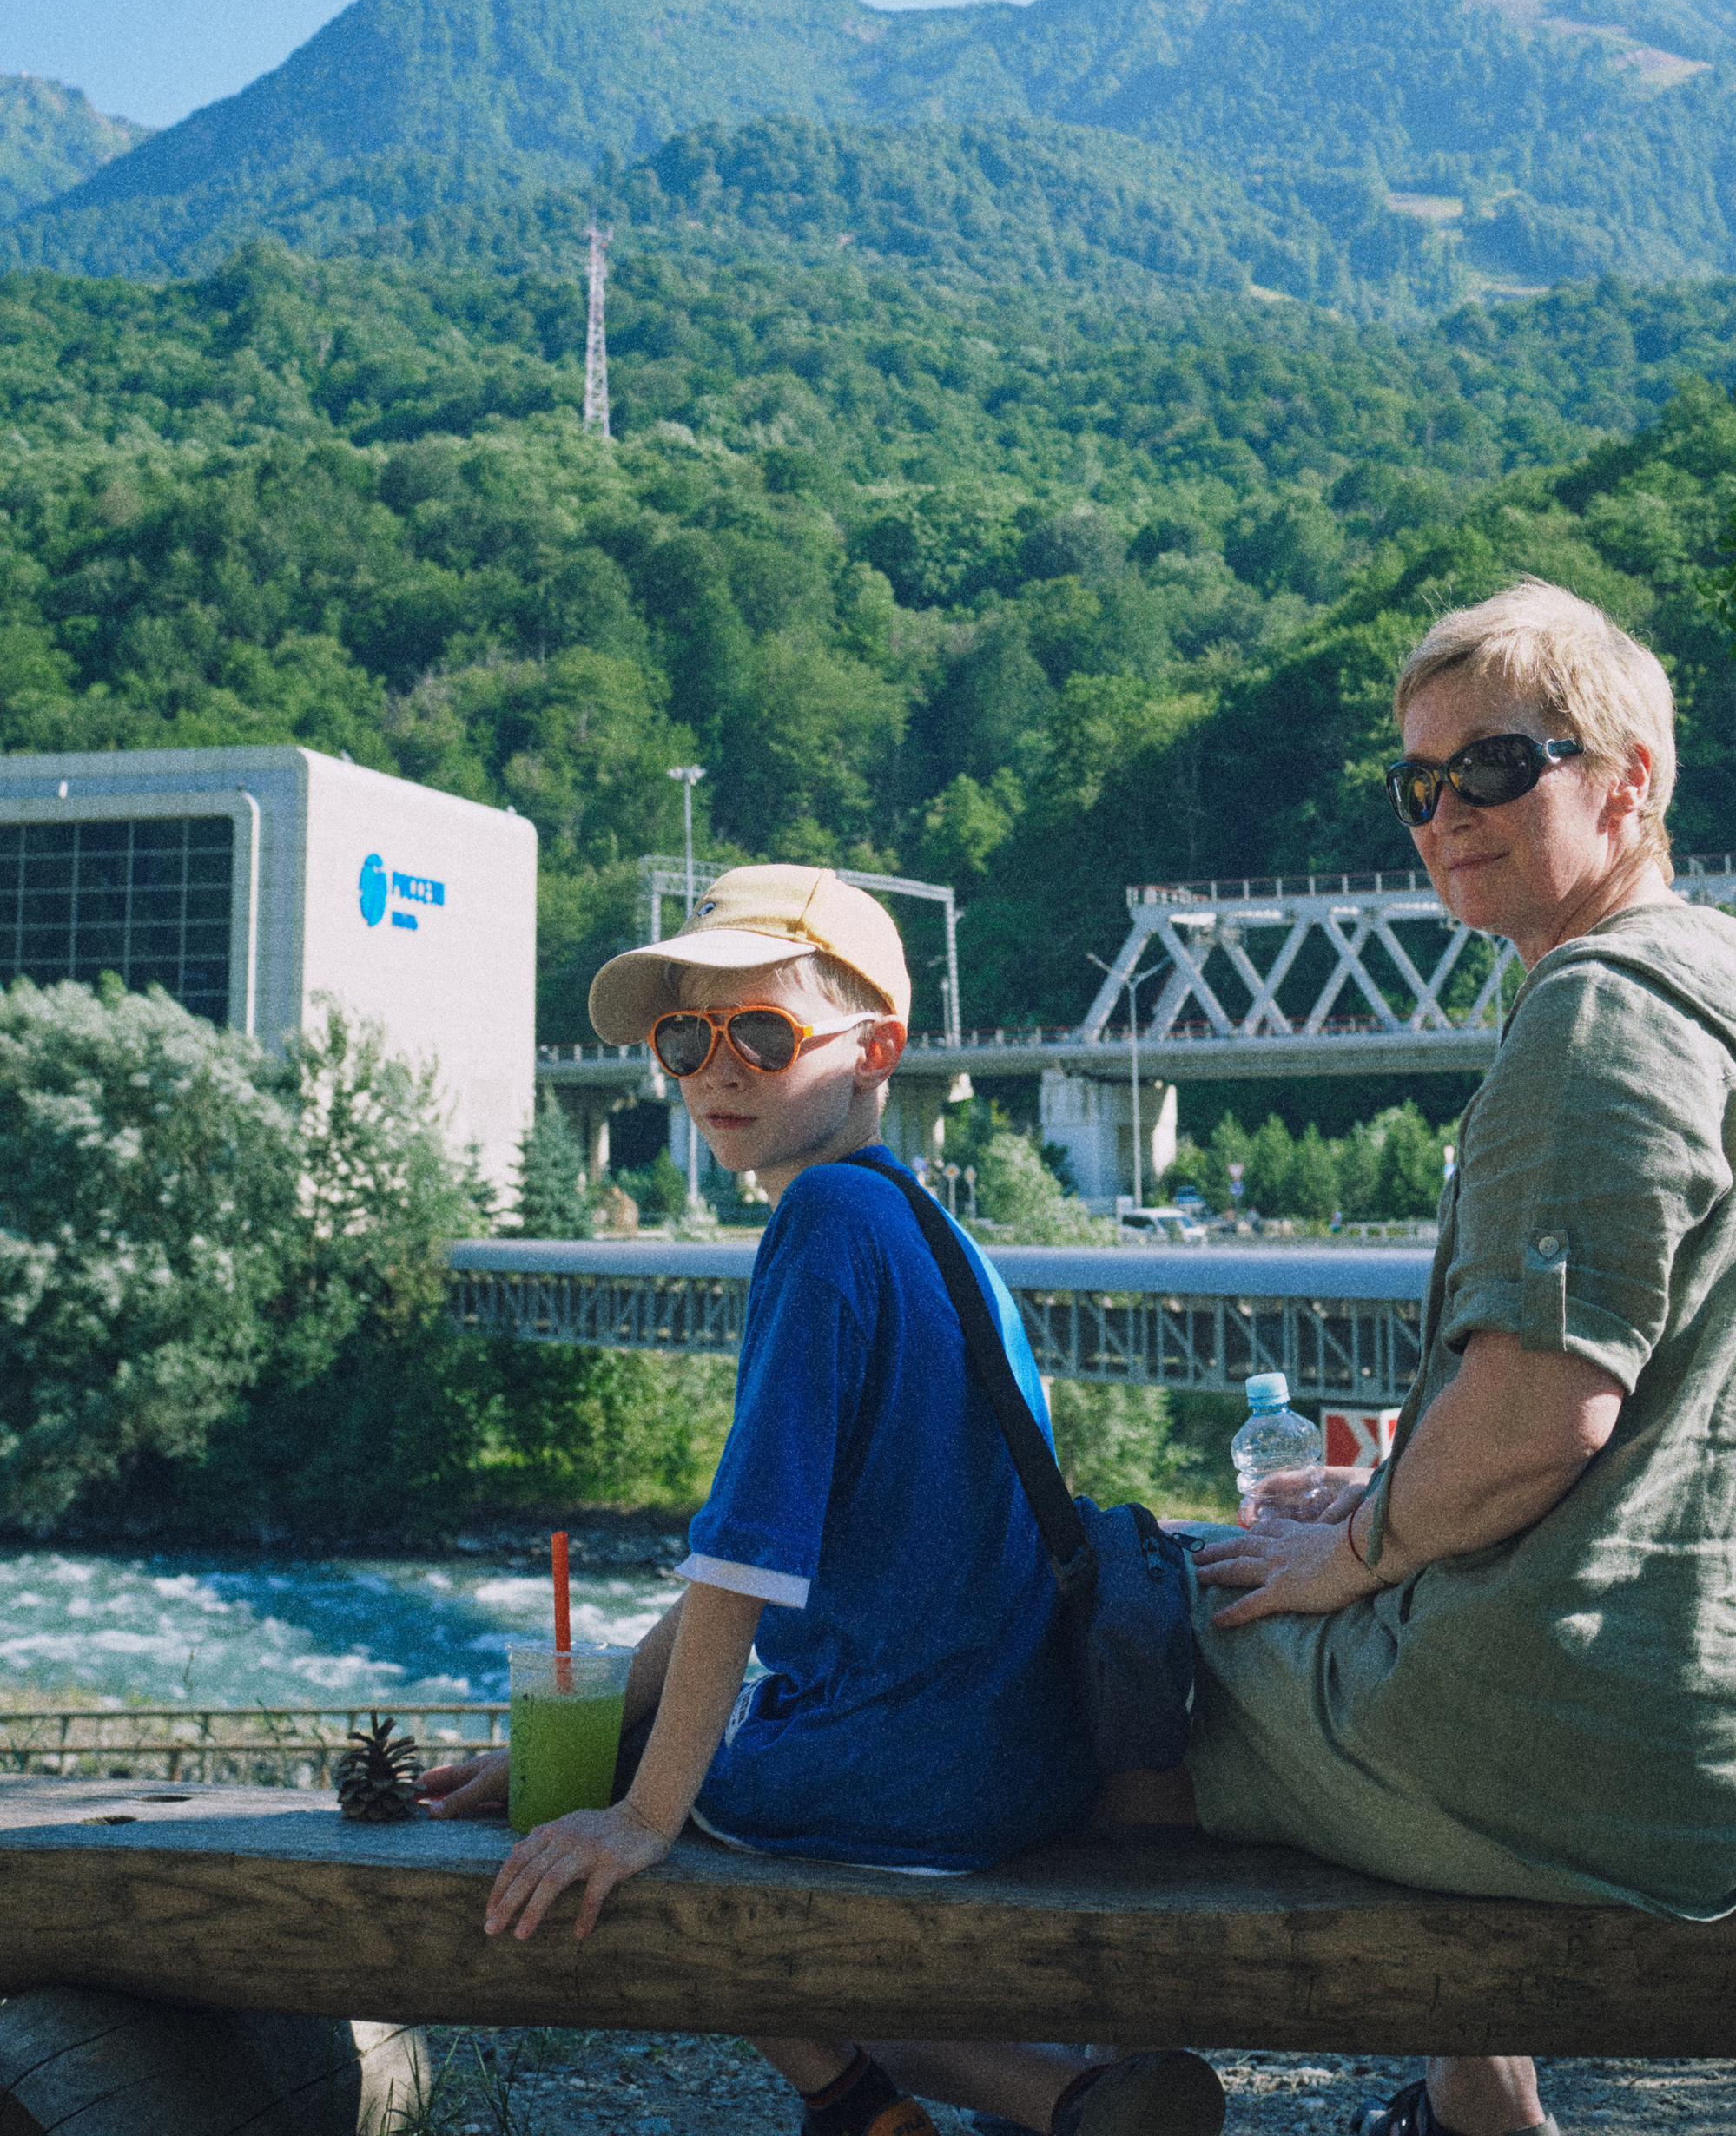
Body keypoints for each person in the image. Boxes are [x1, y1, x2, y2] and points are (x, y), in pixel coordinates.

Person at [1182, 581, 1736, 2136]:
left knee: (1170, 1636)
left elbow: (1538, 1420)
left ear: (1628, 783)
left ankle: (1007, 2060)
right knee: (1349, 1587)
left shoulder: (1595, 1017)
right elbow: (1649, 1415)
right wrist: (1390, 1501)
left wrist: (1356, 1555)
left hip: (1630, 1747)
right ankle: (1479, 2106)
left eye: (1496, 767)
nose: (1446, 813)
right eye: (1418, 784)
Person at [421, 861, 1223, 2136]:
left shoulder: (823, 1225)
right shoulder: (927, 1227)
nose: (715, 1071)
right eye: (684, 1040)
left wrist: (637, 1810)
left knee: (612, 1847)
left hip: (901, 1772)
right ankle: (1062, 2103)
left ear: (876, 1052)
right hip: (1019, 1755)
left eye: (762, 1033)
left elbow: (740, 1561)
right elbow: (757, 1561)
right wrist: (602, 1735)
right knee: (657, 1785)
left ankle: (867, 2099)